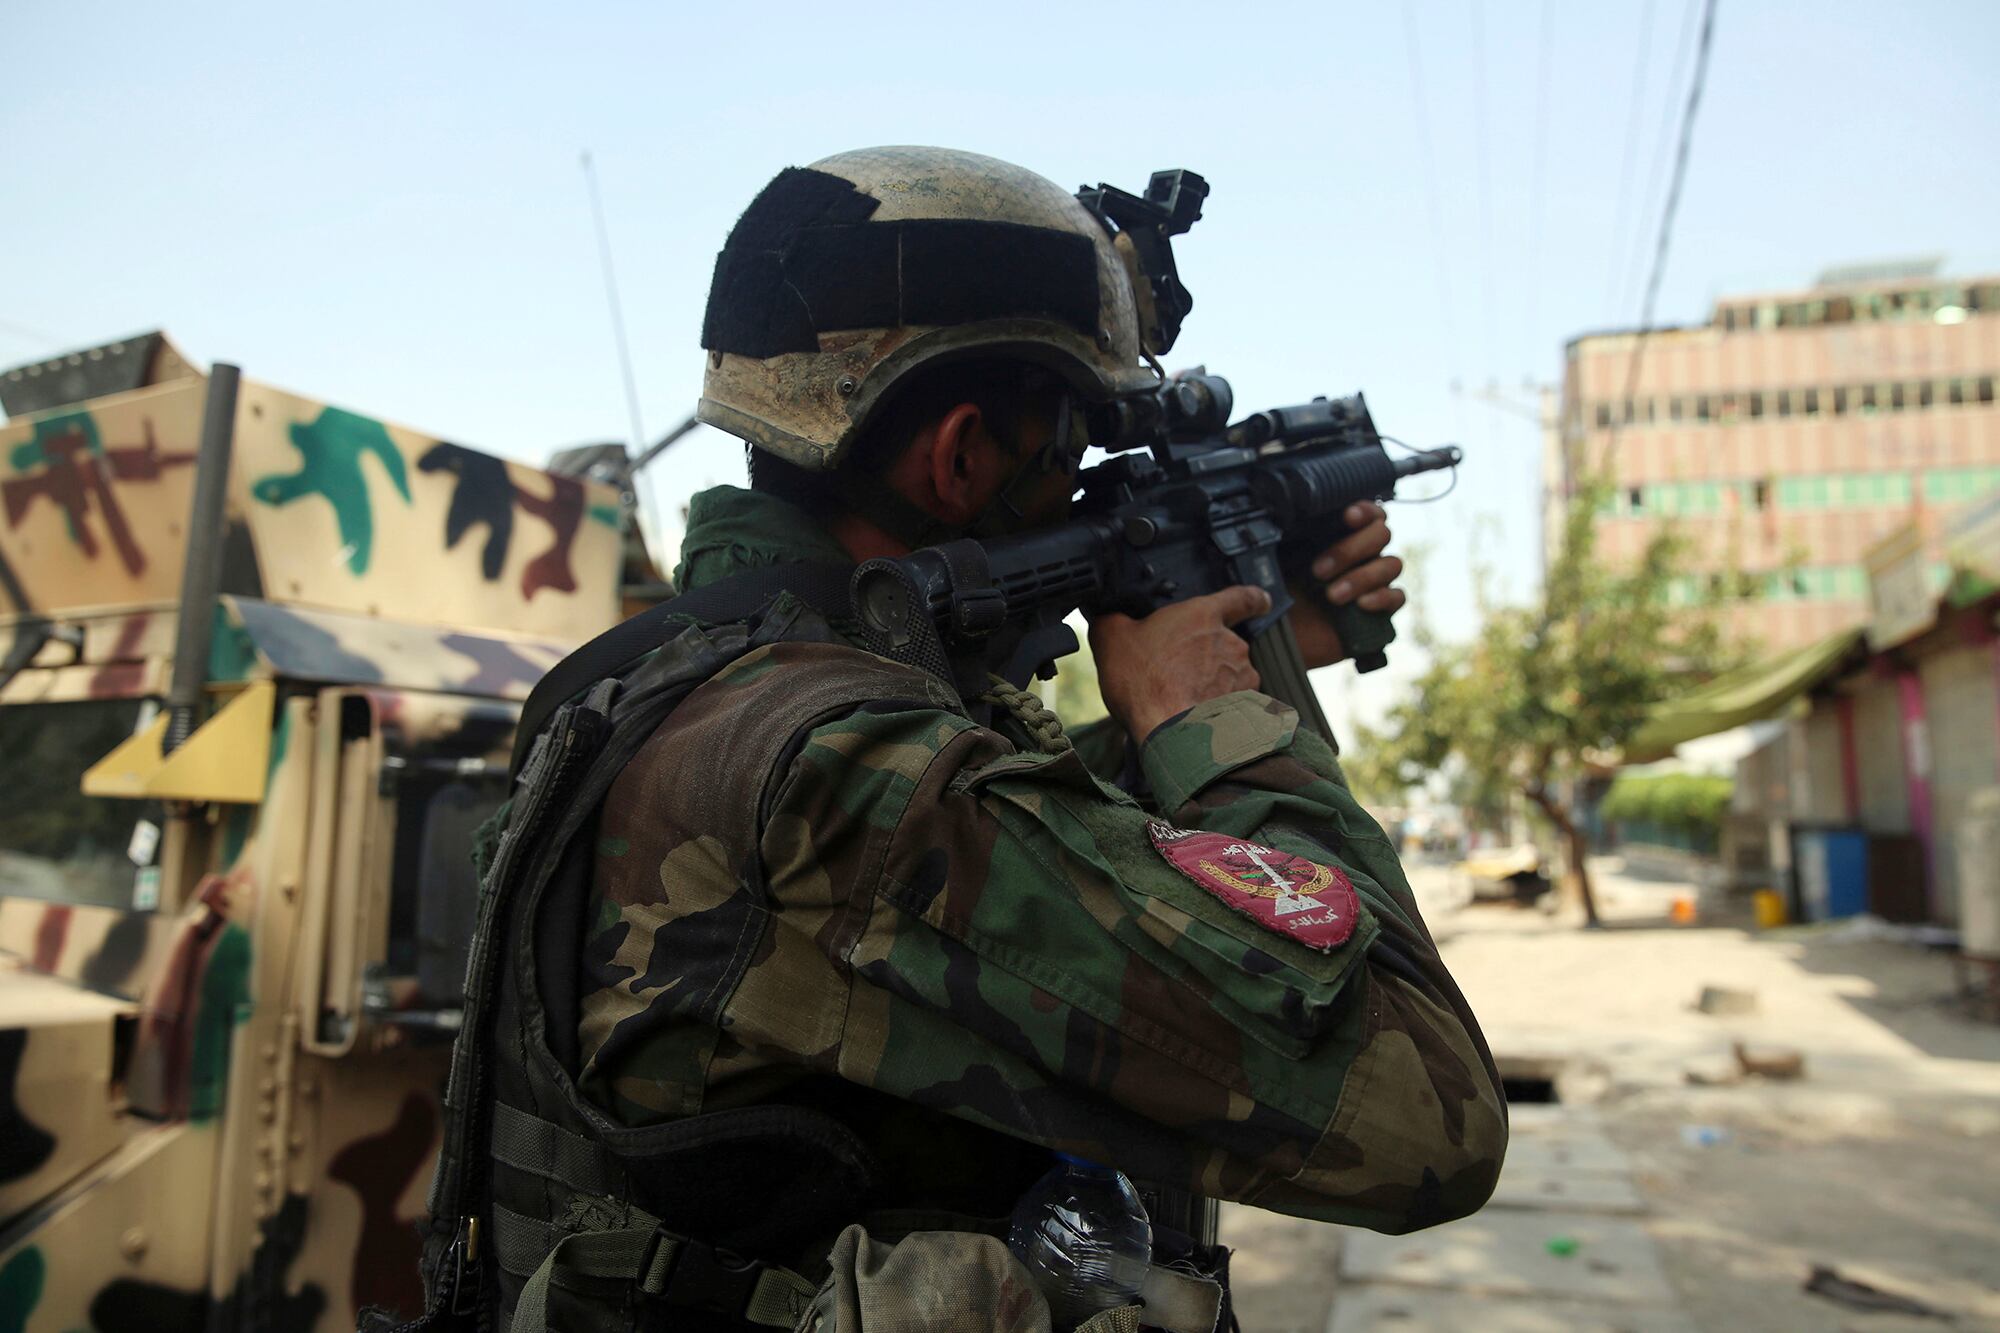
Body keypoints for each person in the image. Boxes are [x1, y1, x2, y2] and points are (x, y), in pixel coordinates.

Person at [448, 147, 1505, 1333]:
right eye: (1070, 444)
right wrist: (1218, 730)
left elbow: (1029, 869)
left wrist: (1255, 658)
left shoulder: (682, 687)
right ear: (957, 454)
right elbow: (1425, 1114)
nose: (1083, 484)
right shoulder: (849, 770)